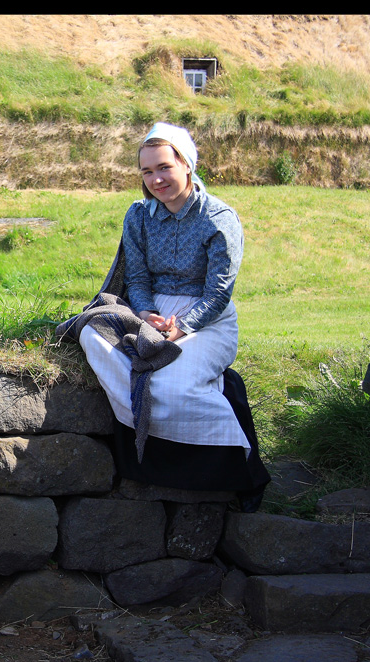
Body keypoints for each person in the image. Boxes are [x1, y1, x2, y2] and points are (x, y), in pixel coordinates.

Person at [57, 123, 269, 508]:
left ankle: (233, 467)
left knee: (169, 388)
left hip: (206, 321)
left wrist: (183, 327)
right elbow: (136, 278)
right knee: (92, 333)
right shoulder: (138, 216)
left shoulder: (219, 218)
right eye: (147, 171)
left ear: (186, 164)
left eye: (164, 168)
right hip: (151, 313)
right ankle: (146, 466)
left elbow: (218, 292)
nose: (156, 179)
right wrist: (146, 313)